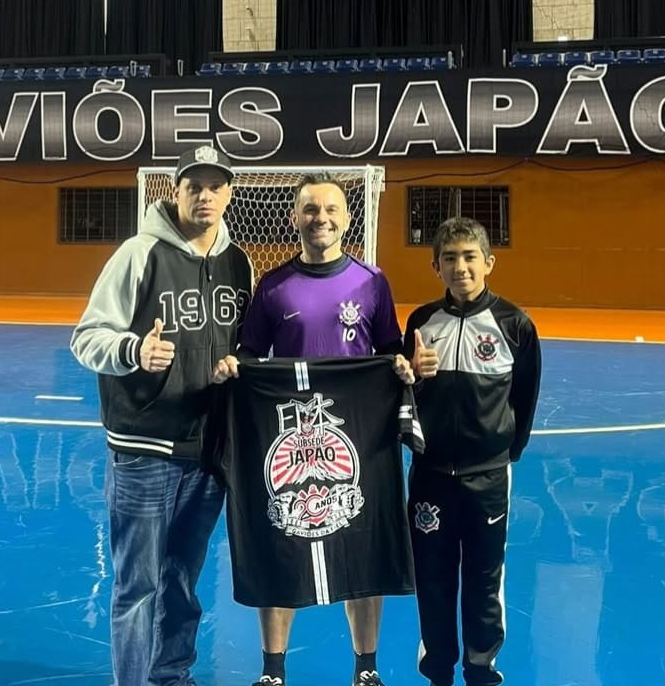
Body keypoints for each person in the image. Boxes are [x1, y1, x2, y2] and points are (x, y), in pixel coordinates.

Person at [213, 173, 413, 686]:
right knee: (282, 538)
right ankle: (273, 671)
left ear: (348, 218)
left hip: (355, 440)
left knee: (361, 543)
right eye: (309, 209)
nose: (320, 218)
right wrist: (236, 366)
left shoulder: (372, 282)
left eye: (329, 209)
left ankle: (365, 668)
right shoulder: (274, 285)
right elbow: (251, 352)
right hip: (289, 436)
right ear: (294, 217)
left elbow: (389, 350)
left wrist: (403, 368)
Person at [70, 144, 253, 686]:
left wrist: (234, 365)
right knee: (137, 587)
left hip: (207, 448)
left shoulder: (238, 262)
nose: (205, 195)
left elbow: (242, 345)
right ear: (174, 191)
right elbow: (86, 337)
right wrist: (133, 352)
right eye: (194, 185)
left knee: (181, 580)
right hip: (145, 447)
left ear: (229, 192)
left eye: (215, 185)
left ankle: (171, 676)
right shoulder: (137, 253)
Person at [403, 216, 542, 686]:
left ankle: (481, 666)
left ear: (489, 262)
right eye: (449, 258)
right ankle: (438, 667)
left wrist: (503, 453)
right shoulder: (422, 322)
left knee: (484, 577)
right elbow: (406, 394)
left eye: (469, 257)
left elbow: (524, 398)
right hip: (431, 474)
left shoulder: (514, 324)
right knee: (433, 575)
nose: (460, 267)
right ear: (435, 266)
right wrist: (415, 376)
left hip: (487, 477)